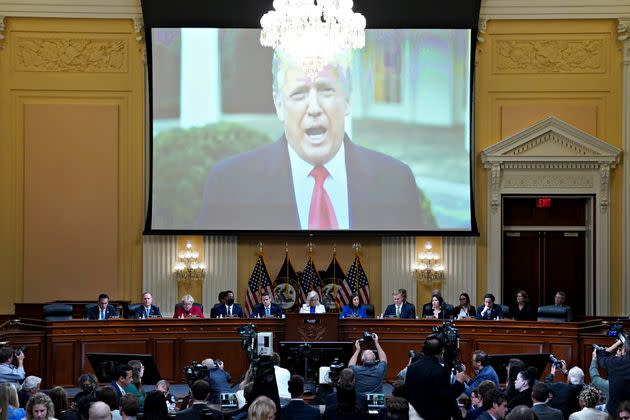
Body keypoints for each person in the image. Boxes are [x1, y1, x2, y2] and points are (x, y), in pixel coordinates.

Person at [197, 49, 429, 231]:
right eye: (299, 93)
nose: (314, 108)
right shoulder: (228, 184)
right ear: (279, 105)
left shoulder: (396, 181)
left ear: (347, 100)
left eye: (326, 90)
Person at [404, 334, 466, 420]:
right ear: (440, 351)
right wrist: (459, 383)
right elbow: (447, 397)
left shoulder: (411, 367)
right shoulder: (439, 370)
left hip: (414, 413)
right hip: (434, 415)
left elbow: (407, 391)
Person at [597, 338, 630, 416]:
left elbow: (601, 356)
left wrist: (617, 343)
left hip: (615, 412)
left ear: (624, 350)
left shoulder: (614, 362)